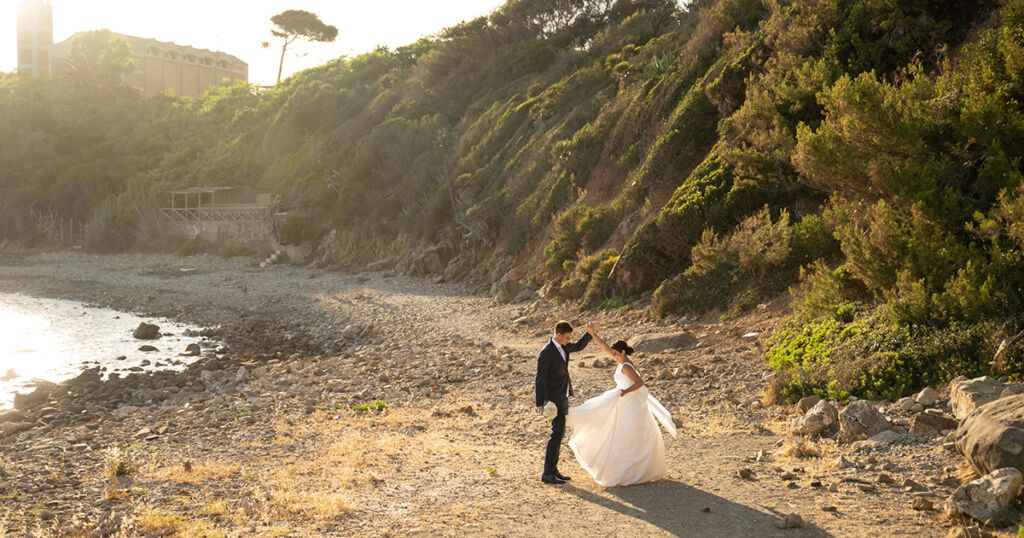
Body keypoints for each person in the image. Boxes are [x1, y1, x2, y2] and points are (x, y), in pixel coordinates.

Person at [565, 325, 677, 487]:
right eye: (614, 353)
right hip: (623, 401)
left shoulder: (626, 366)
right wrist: (593, 334)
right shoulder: (622, 361)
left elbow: (639, 383)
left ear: (623, 352)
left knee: (625, 434)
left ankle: (630, 471)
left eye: (616, 354)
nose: (614, 356)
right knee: (613, 429)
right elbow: (606, 349)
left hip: (629, 403)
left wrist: (624, 392)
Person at [535, 320, 593, 485]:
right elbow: (540, 378)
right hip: (552, 400)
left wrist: (589, 333)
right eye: (567, 337)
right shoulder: (547, 352)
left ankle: (553, 470)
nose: (569, 340)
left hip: (562, 396)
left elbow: (578, 346)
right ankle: (547, 473)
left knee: (559, 433)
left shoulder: (563, 346)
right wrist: (540, 403)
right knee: (556, 434)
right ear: (558, 335)